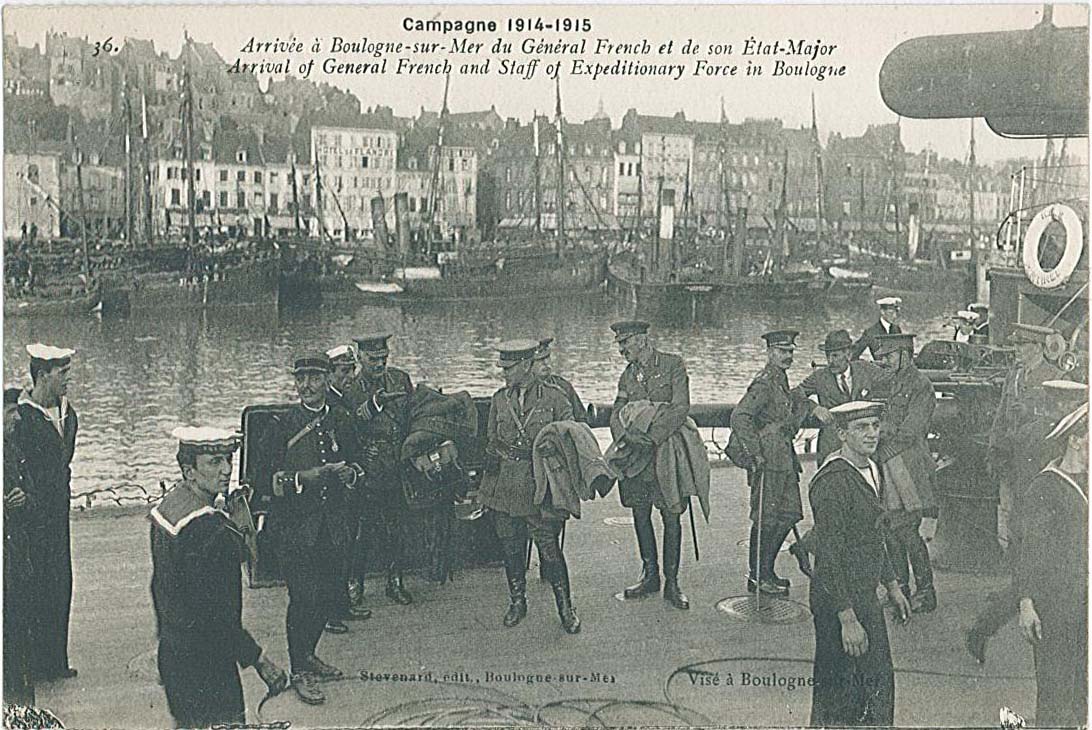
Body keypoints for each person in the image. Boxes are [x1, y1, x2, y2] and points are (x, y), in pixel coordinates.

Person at [150, 427, 287, 727]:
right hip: (209, 665)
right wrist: (259, 660)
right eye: (213, 462)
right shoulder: (213, 532)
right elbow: (220, 616)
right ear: (190, 471)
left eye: (227, 459)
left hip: (174, 654)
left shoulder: (167, 508)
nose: (226, 470)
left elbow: (160, 588)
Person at [260, 353, 364, 705]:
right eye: (300, 378)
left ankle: (308, 655)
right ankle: (299, 668)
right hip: (294, 528)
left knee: (327, 597)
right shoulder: (283, 424)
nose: (306, 385)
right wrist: (304, 478)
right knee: (303, 598)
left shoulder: (343, 420)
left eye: (314, 377)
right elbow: (266, 481)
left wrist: (351, 474)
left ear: (327, 380)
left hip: (332, 525)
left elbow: (359, 464)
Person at [808, 401, 912, 727]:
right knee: (841, 693)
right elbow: (827, 555)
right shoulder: (833, 481)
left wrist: (893, 584)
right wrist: (847, 618)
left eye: (875, 426)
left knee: (875, 685)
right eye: (861, 428)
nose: (872, 434)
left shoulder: (870, 468)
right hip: (838, 600)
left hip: (863, 594)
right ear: (841, 434)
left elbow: (874, 535)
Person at [967, 375, 1078, 664]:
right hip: (1042, 523)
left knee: (1027, 582)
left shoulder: (1027, 432)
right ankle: (982, 629)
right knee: (1026, 585)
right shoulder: (1062, 439)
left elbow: (999, 460)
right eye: (1071, 404)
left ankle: (983, 629)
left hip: (1026, 518)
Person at [478, 340, 580, 632]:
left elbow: (571, 437)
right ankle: (517, 601)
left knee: (549, 548)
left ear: (525, 366)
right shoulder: (500, 400)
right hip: (506, 486)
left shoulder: (556, 398)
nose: (504, 374)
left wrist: (553, 452)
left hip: (538, 486)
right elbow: (492, 440)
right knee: (510, 547)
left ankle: (566, 609)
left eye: (509, 368)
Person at [1015, 395, 1088, 728]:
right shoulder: (1045, 487)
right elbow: (1027, 551)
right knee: (1057, 693)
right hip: (1056, 606)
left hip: (1084, 603)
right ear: (1075, 440)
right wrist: (1026, 603)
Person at [610, 320, 693, 610]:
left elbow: (681, 407)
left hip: (665, 454)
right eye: (619, 344)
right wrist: (624, 436)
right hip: (636, 457)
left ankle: (672, 582)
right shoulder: (627, 376)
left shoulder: (672, 365)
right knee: (640, 513)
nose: (621, 349)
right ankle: (650, 575)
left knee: (671, 515)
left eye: (626, 342)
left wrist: (653, 438)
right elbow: (617, 411)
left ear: (643, 339)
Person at [729, 330, 810, 597]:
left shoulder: (780, 379)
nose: (787, 356)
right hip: (768, 460)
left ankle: (767, 570)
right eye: (781, 351)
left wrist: (804, 405)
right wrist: (755, 454)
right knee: (765, 519)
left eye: (790, 351)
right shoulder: (764, 383)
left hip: (784, 459)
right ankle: (757, 577)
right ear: (769, 353)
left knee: (788, 515)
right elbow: (740, 416)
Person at [17, 344, 79, 681]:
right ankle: (34, 663)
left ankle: (56, 660)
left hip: (59, 513)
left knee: (60, 581)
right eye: (62, 373)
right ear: (42, 375)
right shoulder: (22, 417)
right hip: (32, 515)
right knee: (35, 582)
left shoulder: (70, 414)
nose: (68, 379)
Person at [870, 333, 937, 613]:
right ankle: (902, 588)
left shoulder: (921, 385)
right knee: (891, 531)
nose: (884, 361)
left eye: (889, 356)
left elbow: (912, 430)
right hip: (890, 463)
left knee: (908, 531)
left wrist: (881, 430)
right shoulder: (894, 381)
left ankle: (926, 592)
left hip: (908, 465)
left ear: (905, 354)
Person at [350, 333, 415, 606]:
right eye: (373, 359)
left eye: (383, 358)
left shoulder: (400, 379)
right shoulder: (353, 388)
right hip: (369, 467)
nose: (379, 364)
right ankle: (355, 584)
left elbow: (412, 413)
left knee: (396, 529)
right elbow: (354, 422)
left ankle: (395, 581)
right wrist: (376, 403)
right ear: (360, 358)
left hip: (398, 464)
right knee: (361, 532)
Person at [324, 344, 372, 633]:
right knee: (333, 549)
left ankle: (341, 605)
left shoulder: (345, 400)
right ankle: (330, 612)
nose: (350, 376)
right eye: (343, 371)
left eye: (352, 369)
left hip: (350, 483)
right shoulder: (330, 405)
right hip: (335, 486)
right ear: (329, 374)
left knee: (346, 544)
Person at [795, 329, 886, 465]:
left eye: (835, 356)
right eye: (828, 356)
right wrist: (814, 408)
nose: (831, 361)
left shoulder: (865, 369)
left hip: (862, 446)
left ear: (848, 355)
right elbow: (794, 394)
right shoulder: (819, 377)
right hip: (832, 444)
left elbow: (893, 381)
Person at [4, 386, 36, 706]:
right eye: (10, 412)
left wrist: (25, 500)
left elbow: (33, 495)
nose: (16, 417)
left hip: (16, 558)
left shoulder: (13, 449)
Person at [533, 337, 587, 423]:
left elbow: (581, 419)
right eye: (540, 360)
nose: (546, 363)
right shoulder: (521, 391)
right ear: (528, 365)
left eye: (547, 358)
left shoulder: (563, 386)